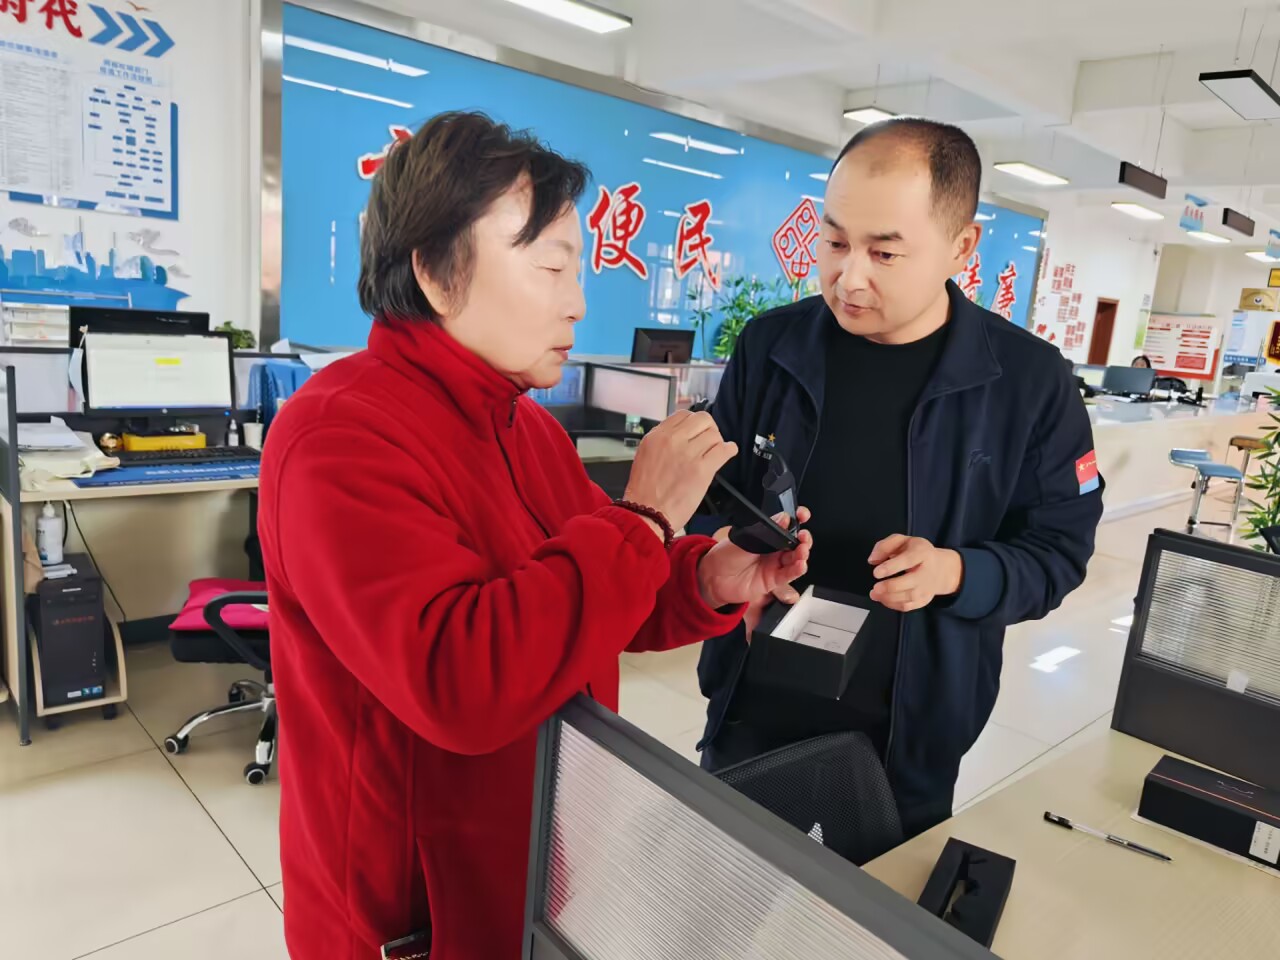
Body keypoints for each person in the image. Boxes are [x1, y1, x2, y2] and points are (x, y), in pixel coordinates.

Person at [257, 112, 811, 960]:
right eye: (551, 266)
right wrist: (644, 519)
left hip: (536, 850)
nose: (577, 301)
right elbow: (459, 681)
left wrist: (706, 577)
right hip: (410, 912)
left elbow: (593, 600)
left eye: (577, 268)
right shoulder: (339, 435)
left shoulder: (528, 428)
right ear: (436, 273)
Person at [695, 117, 1103, 839]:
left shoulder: (1028, 383)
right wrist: (727, 568)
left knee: (876, 905)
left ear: (961, 246)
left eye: (884, 252)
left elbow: (1058, 553)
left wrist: (955, 572)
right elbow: (708, 499)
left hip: (907, 734)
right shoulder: (772, 347)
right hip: (754, 698)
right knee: (723, 890)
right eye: (834, 242)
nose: (850, 277)